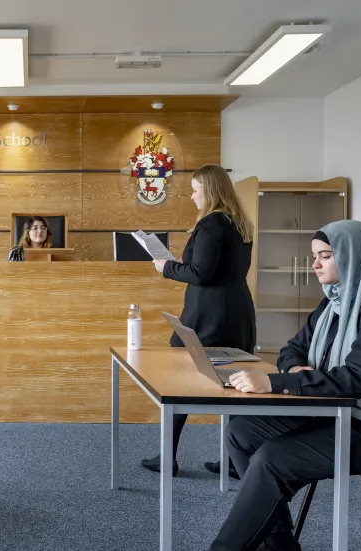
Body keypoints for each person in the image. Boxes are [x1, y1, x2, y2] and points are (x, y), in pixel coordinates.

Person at [208, 220, 361, 551]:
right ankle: (278, 542)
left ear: (355, 256)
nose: (315, 264)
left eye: (325, 255)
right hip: (348, 412)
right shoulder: (335, 303)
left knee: (273, 458)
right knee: (241, 431)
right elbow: (293, 348)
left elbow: (355, 379)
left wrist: (275, 382)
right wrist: (294, 367)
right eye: (314, 256)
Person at [140, 164, 256, 478]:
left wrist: (166, 267)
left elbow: (201, 274)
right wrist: (183, 264)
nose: (191, 196)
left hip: (209, 316)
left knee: (177, 380)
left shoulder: (212, 223)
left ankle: (168, 457)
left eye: (195, 190)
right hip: (237, 312)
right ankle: (234, 460)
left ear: (210, 190)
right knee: (235, 384)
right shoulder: (238, 222)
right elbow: (211, 268)